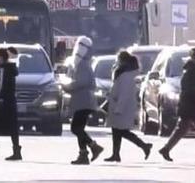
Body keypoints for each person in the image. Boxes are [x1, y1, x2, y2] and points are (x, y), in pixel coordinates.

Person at [158, 48, 195, 162]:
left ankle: (166, 149)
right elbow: (192, 89)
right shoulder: (192, 72)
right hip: (192, 105)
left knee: (183, 129)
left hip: (191, 104)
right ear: (192, 58)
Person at [103, 50, 152, 162]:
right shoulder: (123, 73)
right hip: (119, 105)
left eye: (118, 59)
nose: (117, 62)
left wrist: (119, 108)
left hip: (122, 107)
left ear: (123, 60)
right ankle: (116, 154)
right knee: (116, 130)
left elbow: (124, 93)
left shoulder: (125, 75)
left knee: (122, 131)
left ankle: (144, 146)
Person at [63, 36, 103, 165]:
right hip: (82, 100)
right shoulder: (80, 63)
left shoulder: (83, 64)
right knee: (79, 128)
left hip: (84, 101)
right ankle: (83, 154)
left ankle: (93, 146)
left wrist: (67, 86)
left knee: (75, 128)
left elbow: (82, 82)